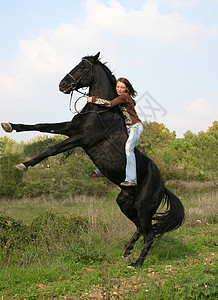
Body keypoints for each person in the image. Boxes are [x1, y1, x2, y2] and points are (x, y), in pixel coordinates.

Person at [87, 77, 143, 186]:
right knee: (112, 146)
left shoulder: (124, 97)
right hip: (127, 128)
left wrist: (93, 100)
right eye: (118, 87)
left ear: (127, 89)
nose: (119, 89)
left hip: (135, 127)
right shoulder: (122, 97)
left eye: (122, 87)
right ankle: (99, 171)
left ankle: (131, 180)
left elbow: (110, 104)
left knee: (128, 149)